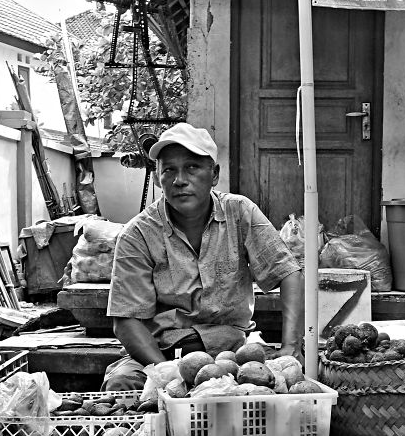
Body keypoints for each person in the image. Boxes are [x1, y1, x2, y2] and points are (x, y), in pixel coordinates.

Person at [102, 122, 304, 392]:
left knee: (280, 388)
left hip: (234, 350)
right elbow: (126, 321)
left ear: (214, 174)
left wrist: (291, 347)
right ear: (159, 177)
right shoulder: (137, 234)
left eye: (192, 168)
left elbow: (289, 273)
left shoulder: (240, 212)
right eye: (169, 170)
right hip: (161, 352)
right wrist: (168, 375)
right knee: (122, 385)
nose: (179, 180)